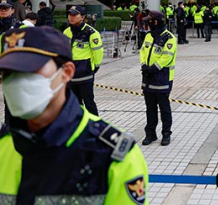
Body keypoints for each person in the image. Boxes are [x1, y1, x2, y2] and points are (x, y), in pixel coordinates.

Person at [0, 27, 149, 204]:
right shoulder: (4, 144)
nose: (16, 82)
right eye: (8, 73)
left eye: (30, 70)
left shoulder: (112, 155)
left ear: (66, 72)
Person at [140, 10, 177, 146]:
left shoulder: (169, 38)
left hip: (162, 77)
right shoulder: (149, 36)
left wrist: (154, 68)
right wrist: (144, 65)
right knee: (150, 108)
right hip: (148, 77)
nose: (147, 24)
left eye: (149, 21)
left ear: (155, 22)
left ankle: (166, 134)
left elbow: (167, 56)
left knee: (164, 108)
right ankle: (150, 134)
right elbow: (143, 51)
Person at [63, 5, 103, 116]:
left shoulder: (91, 33)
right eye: (70, 14)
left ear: (82, 17)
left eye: (75, 15)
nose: (71, 17)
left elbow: (98, 52)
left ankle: (95, 127)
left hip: (84, 73)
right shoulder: (66, 32)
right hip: (70, 74)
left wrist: (94, 66)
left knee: (89, 102)